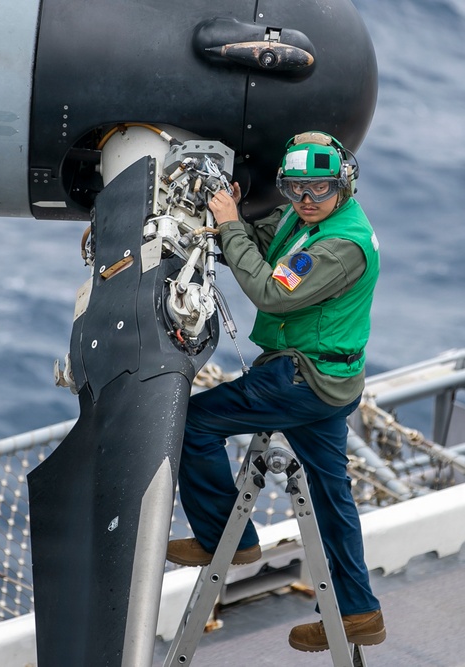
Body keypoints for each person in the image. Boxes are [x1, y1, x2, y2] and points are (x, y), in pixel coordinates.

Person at [166, 131, 385, 652]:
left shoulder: (339, 245)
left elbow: (270, 290)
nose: (307, 200)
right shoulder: (309, 219)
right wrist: (239, 219)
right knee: (333, 499)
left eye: (320, 189)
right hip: (330, 379)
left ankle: (229, 539)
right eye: (296, 189)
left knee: (193, 424)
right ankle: (360, 613)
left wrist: (226, 225)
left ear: (344, 185)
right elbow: (272, 246)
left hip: (302, 380)